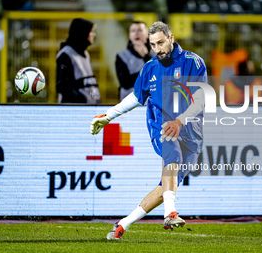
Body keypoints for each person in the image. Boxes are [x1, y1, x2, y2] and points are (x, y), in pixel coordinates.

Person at [90, 21, 207, 240]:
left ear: (171, 38)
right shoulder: (150, 68)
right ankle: (170, 214)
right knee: (171, 153)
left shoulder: (194, 62)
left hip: (191, 132)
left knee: (166, 187)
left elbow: (200, 100)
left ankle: (123, 223)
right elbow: (135, 98)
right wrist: (108, 116)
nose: (158, 49)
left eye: (161, 43)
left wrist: (181, 121)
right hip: (161, 126)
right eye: (153, 45)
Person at [56, 18, 101, 104]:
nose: (93, 35)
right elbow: (62, 86)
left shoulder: (85, 53)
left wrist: (95, 99)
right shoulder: (66, 54)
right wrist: (82, 100)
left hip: (88, 107)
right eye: (91, 31)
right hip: (74, 109)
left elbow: (88, 83)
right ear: (83, 32)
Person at [115, 21, 155, 101]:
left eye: (140, 30)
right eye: (133, 31)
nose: (136, 33)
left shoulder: (158, 54)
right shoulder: (122, 56)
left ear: (147, 33)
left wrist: (146, 57)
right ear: (129, 35)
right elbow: (125, 83)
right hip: (130, 106)